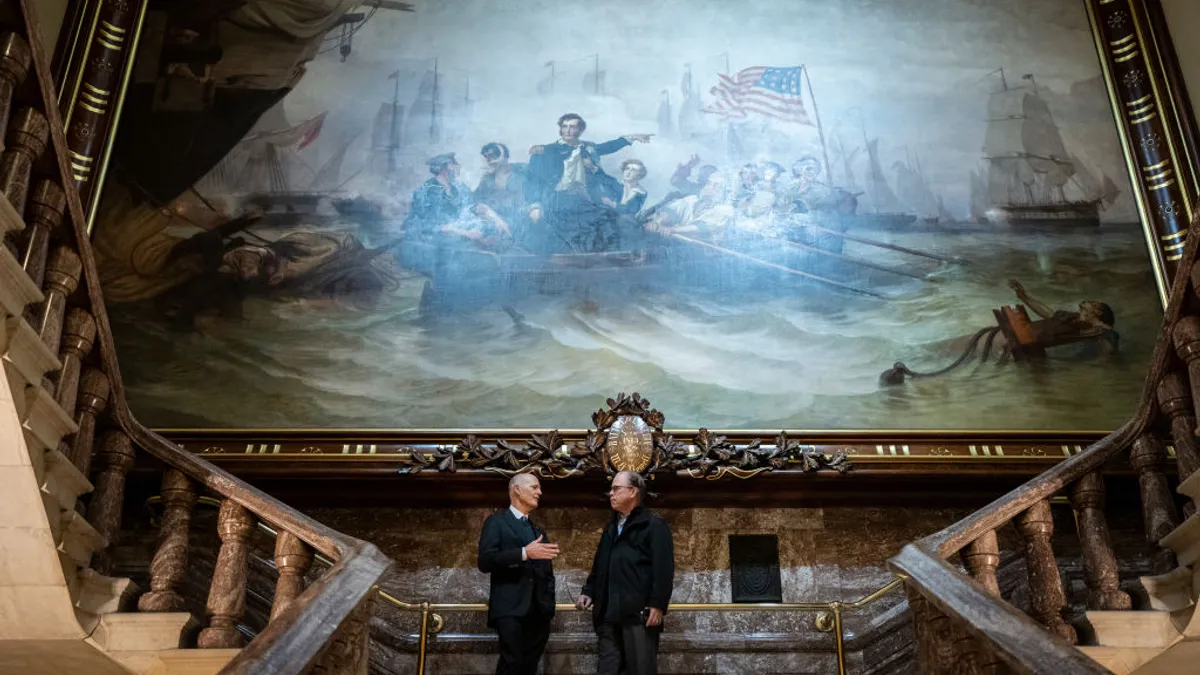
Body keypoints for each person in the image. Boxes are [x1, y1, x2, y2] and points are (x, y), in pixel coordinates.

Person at [575, 471, 675, 675]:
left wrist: (658, 604)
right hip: (608, 614)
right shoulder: (610, 527)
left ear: (632, 491)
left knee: (640, 669)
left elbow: (663, 569)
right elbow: (600, 566)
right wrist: (589, 591)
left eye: (616, 489)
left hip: (638, 616)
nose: (610, 493)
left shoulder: (653, 525)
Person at [477, 473, 560, 675]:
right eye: (534, 487)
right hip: (510, 609)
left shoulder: (537, 530)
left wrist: (548, 606)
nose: (539, 492)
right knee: (511, 664)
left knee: (529, 667)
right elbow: (485, 561)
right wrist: (524, 553)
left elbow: (547, 574)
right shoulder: (496, 522)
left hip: (539, 613)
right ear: (517, 489)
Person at [1008, 279, 1119, 352]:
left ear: (1098, 312)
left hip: (1022, 342)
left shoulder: (1101, 330)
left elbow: (1109, 343)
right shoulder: (1072, 317)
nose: (1087, 300)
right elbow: (1049, 313)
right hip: (1019, 336)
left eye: (1093, 303)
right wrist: (1024, 297)